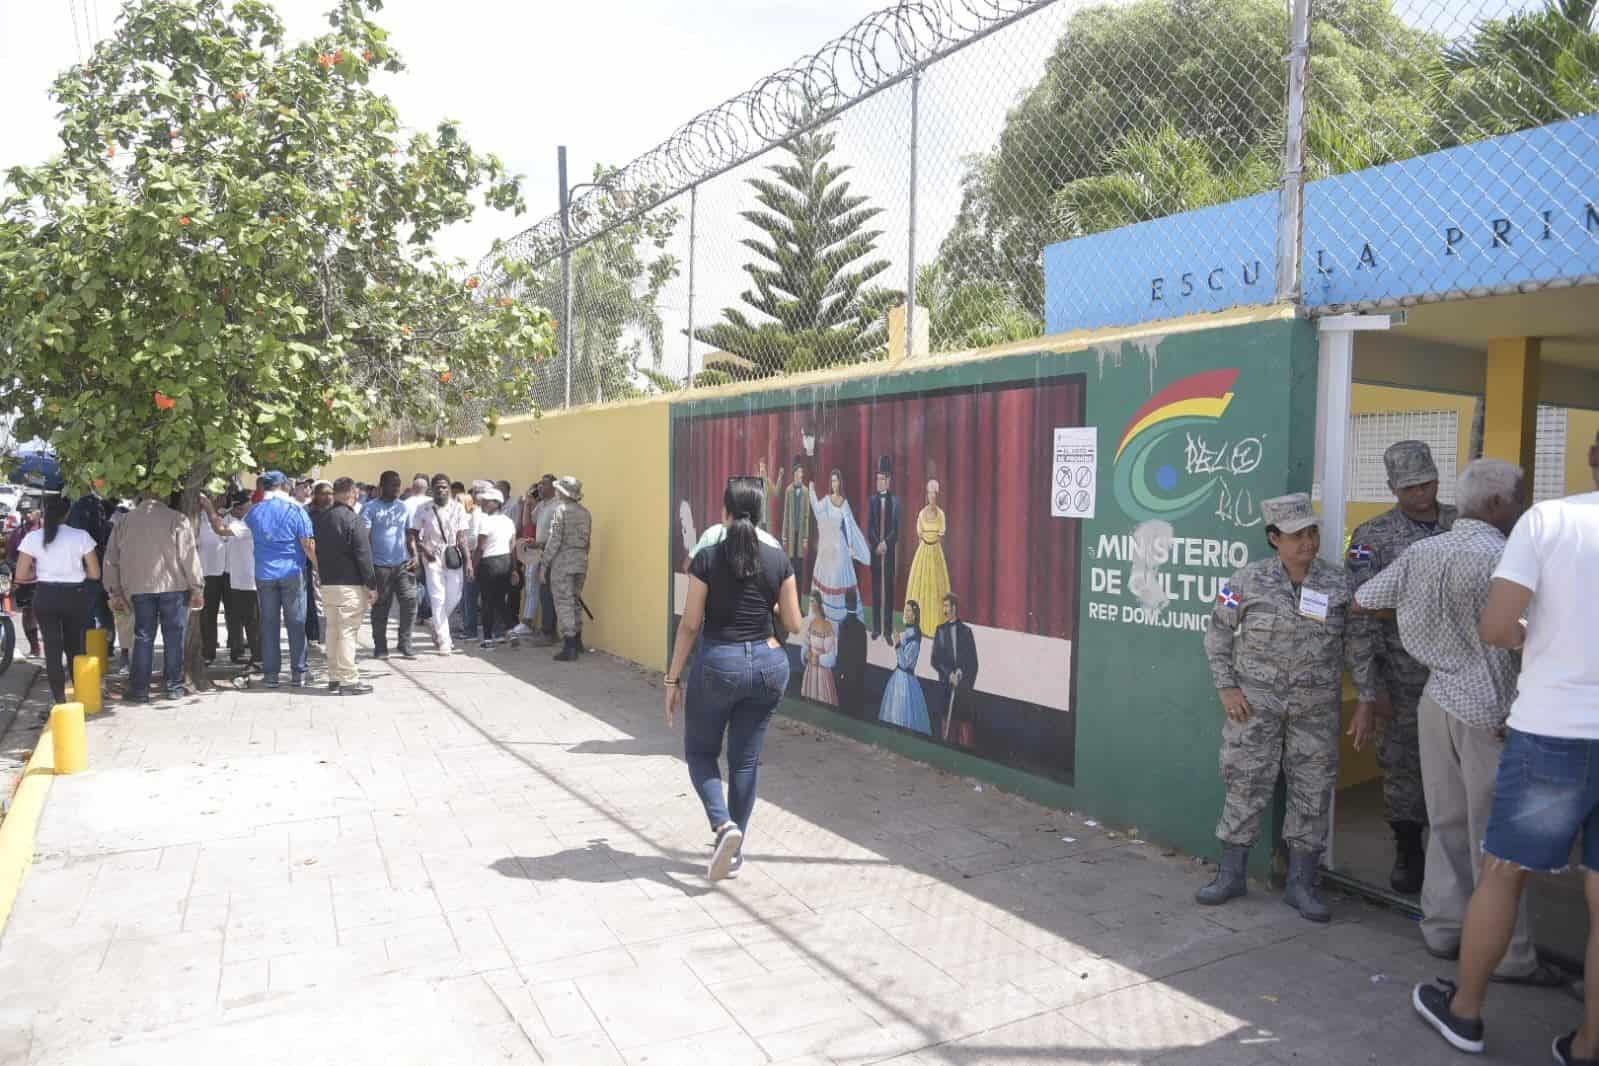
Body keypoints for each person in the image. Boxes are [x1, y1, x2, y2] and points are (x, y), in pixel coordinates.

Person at [1413, 432, 1599, 1062]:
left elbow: (1498, 627)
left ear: (1591, 457)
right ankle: (1587, 1044)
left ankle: (1465, 1013)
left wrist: (1539, 633)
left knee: (1503, 873)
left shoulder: (1548, 522)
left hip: (1553, 733)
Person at [1353, 460, 1565, 989]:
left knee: (1446, 821)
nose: (1522, 508)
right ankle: (1510, 956)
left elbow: (1364, 599)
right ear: (1495, 505)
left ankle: (1444, 929)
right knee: (1497, 839)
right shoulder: (1507, 558)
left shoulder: (1422, 551)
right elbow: (1530, 638)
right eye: (1518, 498)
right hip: (1490, 710)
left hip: (1435, 698)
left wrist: (1418, 621)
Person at [1197, 493, 1378, 922]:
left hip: (1315, 710)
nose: (1308, 542)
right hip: (1254, 708)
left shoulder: (1339, 584)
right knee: (1245, 782)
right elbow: (1217, 632)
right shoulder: (1245, 580)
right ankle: (1231, 874)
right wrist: (1227, 687)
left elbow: (1359, 645)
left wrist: (1367, 698)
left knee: (1312, 791)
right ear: (1274, 538)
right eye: (1297, 535)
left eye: (1312, 533)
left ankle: (1301, 884)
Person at [663, 478, 802, 881]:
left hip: (719, 665)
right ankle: (735, 853)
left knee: (700, 752)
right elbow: (794, 622)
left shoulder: (707, 558)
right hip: (769, 666)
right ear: (760, 516)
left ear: (724, 513)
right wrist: (769, 608)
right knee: (745, 761)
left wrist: (672, 680)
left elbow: (690, 625)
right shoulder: (778, 559)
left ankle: (723, 825)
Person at [1346, 440, 1458, 894]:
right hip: (1402, 674)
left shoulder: (1463, 525)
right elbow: (1359, 614)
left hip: (1459, 671)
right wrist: (1371, 687)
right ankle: (1409, 849)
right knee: (1404, 764)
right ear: (1392, 487)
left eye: (1427, 483)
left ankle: (1453, 855)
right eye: (1410, 487)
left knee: (1459, 766)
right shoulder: (1372, 536)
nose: (1421, 493)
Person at [103, 490, 205, 702]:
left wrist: (114, 590)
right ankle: (174, 687)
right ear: (164, 497)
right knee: (174, 639)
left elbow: (111, 559)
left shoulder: (124, 521)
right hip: (174, 587)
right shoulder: (177, 519)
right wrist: (197, 587)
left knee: (143, 638)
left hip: (138, 588)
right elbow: (188, 556)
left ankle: (139, 690)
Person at [15, 496, 99, 705]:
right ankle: (80, 694)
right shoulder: (81, 536)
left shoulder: (33, 538)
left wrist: (38, 574)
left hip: (45, 595)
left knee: (52, 649)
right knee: (75, 646)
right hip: (75, 595)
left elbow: (21, 575)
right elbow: (95, 573)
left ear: (44, 511)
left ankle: (59, 700)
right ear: (68, 513)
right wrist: (78, 572)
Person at [245, 471, 318, 688]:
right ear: (285, 486)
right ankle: (299, 673)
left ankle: (271, 675)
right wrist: (319, 567)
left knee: (269, 624)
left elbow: (231, 530)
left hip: (264, 574)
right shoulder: (296, 509)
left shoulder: (254, 511)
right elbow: (308, 544)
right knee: (296, 623)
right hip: (292, 573)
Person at [312, 478, 375, 695]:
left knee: (332, 631)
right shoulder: (353, 519)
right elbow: (363, 554)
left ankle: (334, 676)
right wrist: (371, 584)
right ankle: (349, 680)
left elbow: (314, 550)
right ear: (352, 493)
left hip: (328, 583)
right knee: (347, 631)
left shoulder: (321, 519)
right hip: (350, 584)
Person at [409, 473, 473, 656]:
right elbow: (413, 533)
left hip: (452, 555)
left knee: (455, 596)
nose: (441, 490)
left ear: (449, 489)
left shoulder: (458, 508)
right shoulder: (423, 508)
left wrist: (468, 561)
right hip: (432, 556)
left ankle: (436, 623)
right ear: (432, 489)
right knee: (437, 598)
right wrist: (422, 549)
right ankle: (445, 640)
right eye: (438, 487)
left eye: (444, 487)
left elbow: (462, 537)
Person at [362, 471, 418, 660]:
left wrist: (415, 554)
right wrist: (368, 564)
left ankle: (405, 642)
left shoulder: (403, 507)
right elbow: (365, 538)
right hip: (380, 566)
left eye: (398, 485)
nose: (397, 489)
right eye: (393, 485)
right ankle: (380, 647)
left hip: (402, 564)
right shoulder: (370, 508)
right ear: (382, 486)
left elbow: (409, 534)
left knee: (410, 601)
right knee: (381, 607)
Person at [540, 476, 591, 662]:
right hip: (581, 560)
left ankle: (569, 645)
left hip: (563, 561)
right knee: (575, 600)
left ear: (562, 492)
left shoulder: (560, 510)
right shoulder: (585, 513)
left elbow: (554, 540)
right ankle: (577, 641)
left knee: (563, 602)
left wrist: (544, 564)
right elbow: (587, 541)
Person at [809, 468, 869, 623]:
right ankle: (825, 617)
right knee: (826, 578)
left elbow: (848, 526)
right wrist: (811, 491)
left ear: (840, 483)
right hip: (827, 544)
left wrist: (850, 546)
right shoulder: (827, 499)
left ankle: (838, 619)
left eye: (836, 481)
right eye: (832, 481)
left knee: (837, 579)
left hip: (839, 544)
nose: (834, 484)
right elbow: (817, 509)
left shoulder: (844, 503)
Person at [932, 592, 980, 745]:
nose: (944, 610)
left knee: (964, 733)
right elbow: (935, 660)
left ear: (954, 608)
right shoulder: (940, 631)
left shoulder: (966, 632)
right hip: (946, 689)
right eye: (943, 606)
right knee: (947, 731)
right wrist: (949, 675)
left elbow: (973, 662)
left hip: (963, 691)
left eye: (946, 606)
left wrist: (961, 672)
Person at [904, 479, 951, 634]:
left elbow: (941, 537)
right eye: (930, 494)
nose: (932, 497)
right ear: (927, 495)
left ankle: (935, 623)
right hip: (923, 552)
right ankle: (920, 624)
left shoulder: (941, 514)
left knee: (936, 588)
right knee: (920, 586)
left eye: (934, 494)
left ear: (937, 496)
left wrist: (935, 553)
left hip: (936, 552)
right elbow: (920, 537)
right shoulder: (922, 514)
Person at [878, 600, 932, 735]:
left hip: (905, 680)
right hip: (899, 678)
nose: (906, 613)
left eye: (909, 611)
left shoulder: (915, 640)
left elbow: (903, 663)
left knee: (901, 714)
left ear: (914, 615)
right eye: (905, 610)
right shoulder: (908, 632)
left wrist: (897, 643)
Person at [473, 487, 518, 648]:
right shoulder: (508, 521)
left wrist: (473, 566)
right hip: (505, 562)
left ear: (497, 503)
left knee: (487, 601)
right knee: (500, 599)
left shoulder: (486, 521)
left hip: (489, 563)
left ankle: (487, 639)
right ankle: (510, 630)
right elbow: (513, 547)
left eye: (487, 501)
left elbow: (480, 547)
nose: (483, 503)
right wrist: (514, 569)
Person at [219, 491, 260, 667]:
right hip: (232, 577)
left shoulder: (247, 523)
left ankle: (256, 657)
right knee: (237, 617)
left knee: (251, 621)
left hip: (248, 580)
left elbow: (221, 531)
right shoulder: (234, 521)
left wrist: (211, 511)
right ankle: (246, 653)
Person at [867, 456, 901, 642]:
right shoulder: (872, 501)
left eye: (881, 479)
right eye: (877, 478)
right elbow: (870, 528)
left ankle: (887, 631)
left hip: (888, 553)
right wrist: (876, 544)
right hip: (876, 553)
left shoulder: (895, 502)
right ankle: (876, 628)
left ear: (888, 480)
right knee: (876, 590)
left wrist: (885, 543)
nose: (878, 482)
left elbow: (896, 529)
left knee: (888, 591)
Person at [197, 496, 230, 664]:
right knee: (207, 615)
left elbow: (225, 534)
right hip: (206, 572)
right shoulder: (196, 518)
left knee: (233, 614)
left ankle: (236, 648)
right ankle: (208, 652)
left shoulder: (226, 516)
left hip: (228, 570)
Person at [7, 506, 42, 658]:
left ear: (37, 512)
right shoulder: (17, 533)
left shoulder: (46, 531)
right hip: (25, 582)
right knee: (28, 613)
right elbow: (10, 556)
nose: (26, 515)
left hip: (45, 579)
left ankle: (53, 646)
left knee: (45, 612)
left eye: (29, 511)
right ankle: (35, 648)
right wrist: (17, 568)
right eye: (23, 512)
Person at [303, 479, 333, 647]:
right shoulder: (306, 512)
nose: (327, 497)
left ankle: (327, 633)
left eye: (330, 493)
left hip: (331, 559)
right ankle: (314, 632)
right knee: (312, 599)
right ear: (315, 495)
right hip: (310, 559)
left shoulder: (335, 511)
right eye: (324, 494)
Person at [800, 592, 838, 706]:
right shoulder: (812, 623)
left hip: (822, 672)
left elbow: (831, 654)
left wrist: (817, 659)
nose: (811, 604)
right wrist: (806, 654)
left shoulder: (827, 626)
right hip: (810, 669)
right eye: (810, 601)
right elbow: (806, 643)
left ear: (818, 603)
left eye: (813, 601)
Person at [781, 458, 812, 591]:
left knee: (799, 565)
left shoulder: (805, 491)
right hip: (791, 534)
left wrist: (805, 537)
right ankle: (790, 595)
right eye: (799, 472)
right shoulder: (788, 490)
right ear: (794, 474)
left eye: (802, 472)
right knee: (791, 564)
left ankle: (798, 598)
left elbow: (806, 516)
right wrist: (784, 535)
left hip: (800, 535)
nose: (801, 474)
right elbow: (786, 514)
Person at [835, 588, 868, 711]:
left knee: (845, 702)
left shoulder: (842, 625)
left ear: (845, 603)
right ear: (855, 603)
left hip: (845, 671)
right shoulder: (861, 626)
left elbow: (841, 651)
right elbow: (864, 653)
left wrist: (839, 671)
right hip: (858, 671)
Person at [458, 487, 480, 641]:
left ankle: (470, 629)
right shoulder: (464, 516)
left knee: (469, 594)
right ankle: (466, 626)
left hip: (471, 556)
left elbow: (474, 538)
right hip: (465, 555)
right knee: (465, 594)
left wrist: (461, 541)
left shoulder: (474, 515)